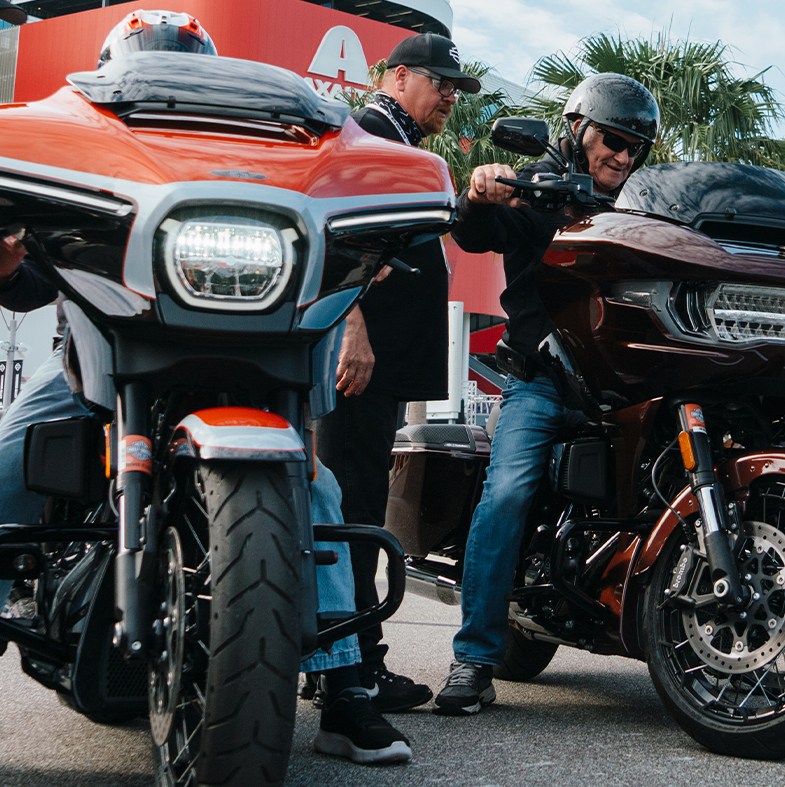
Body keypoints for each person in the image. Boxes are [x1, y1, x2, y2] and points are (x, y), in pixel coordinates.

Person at [0, 10, 411, 764]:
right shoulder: (91, 145)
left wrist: (368, 233)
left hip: (252, 360)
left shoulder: (256, 146)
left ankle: (346, 691)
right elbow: (27, 277)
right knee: (2, 464)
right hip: (105, 360)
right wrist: (7, 247)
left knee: (317, 492)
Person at [435, 73, 659, 716]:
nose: (624, 156)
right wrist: (481, 192)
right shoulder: (538, 189)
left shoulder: (637, 205)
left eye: (635, 148)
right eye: (614, 140)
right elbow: (476, 234)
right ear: (577, 130)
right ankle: (474, 658)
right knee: (505, 494)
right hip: (543, 382)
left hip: (621, 389)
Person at [310, 32, 480, 713]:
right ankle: (353, 670)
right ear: (397, 75)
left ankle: (338, 661)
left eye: (456, 88)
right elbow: (335, 233)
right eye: (439, 81)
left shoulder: (396, 141)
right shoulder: (369, 133)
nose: (449, 95)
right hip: (361, 365)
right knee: (352, 508)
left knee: (353, 503)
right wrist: (352, 326)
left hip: (378, 366)